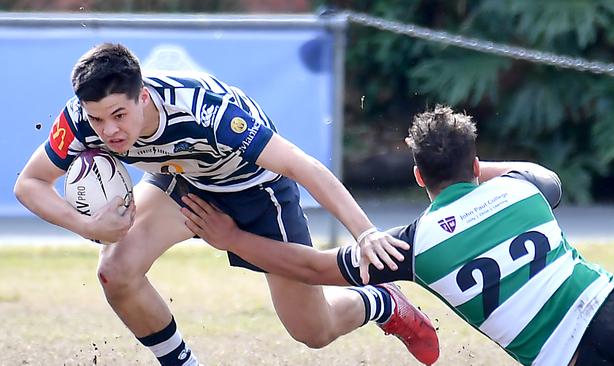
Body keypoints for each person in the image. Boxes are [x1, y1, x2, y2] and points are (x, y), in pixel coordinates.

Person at [13, 43, 441, 366]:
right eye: (97, 119)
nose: (108, 131)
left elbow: (304, 167)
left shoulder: (209, 114)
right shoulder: (80, 119)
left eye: (119, 115)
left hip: (256, 190)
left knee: (313, 330)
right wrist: (87, 227)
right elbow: (30, 184)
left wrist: (364, 232)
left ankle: (381, 302)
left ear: (142, 97)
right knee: (115, 271)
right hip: (183, 178)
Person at [181, 105, 614, 366]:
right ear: (475, 164)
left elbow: (311, 267)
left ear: (418, 177)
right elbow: (546, 175)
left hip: (566, 358)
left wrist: (234, 239)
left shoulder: (414, 247)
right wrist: (474, 168)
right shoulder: (523, 190)